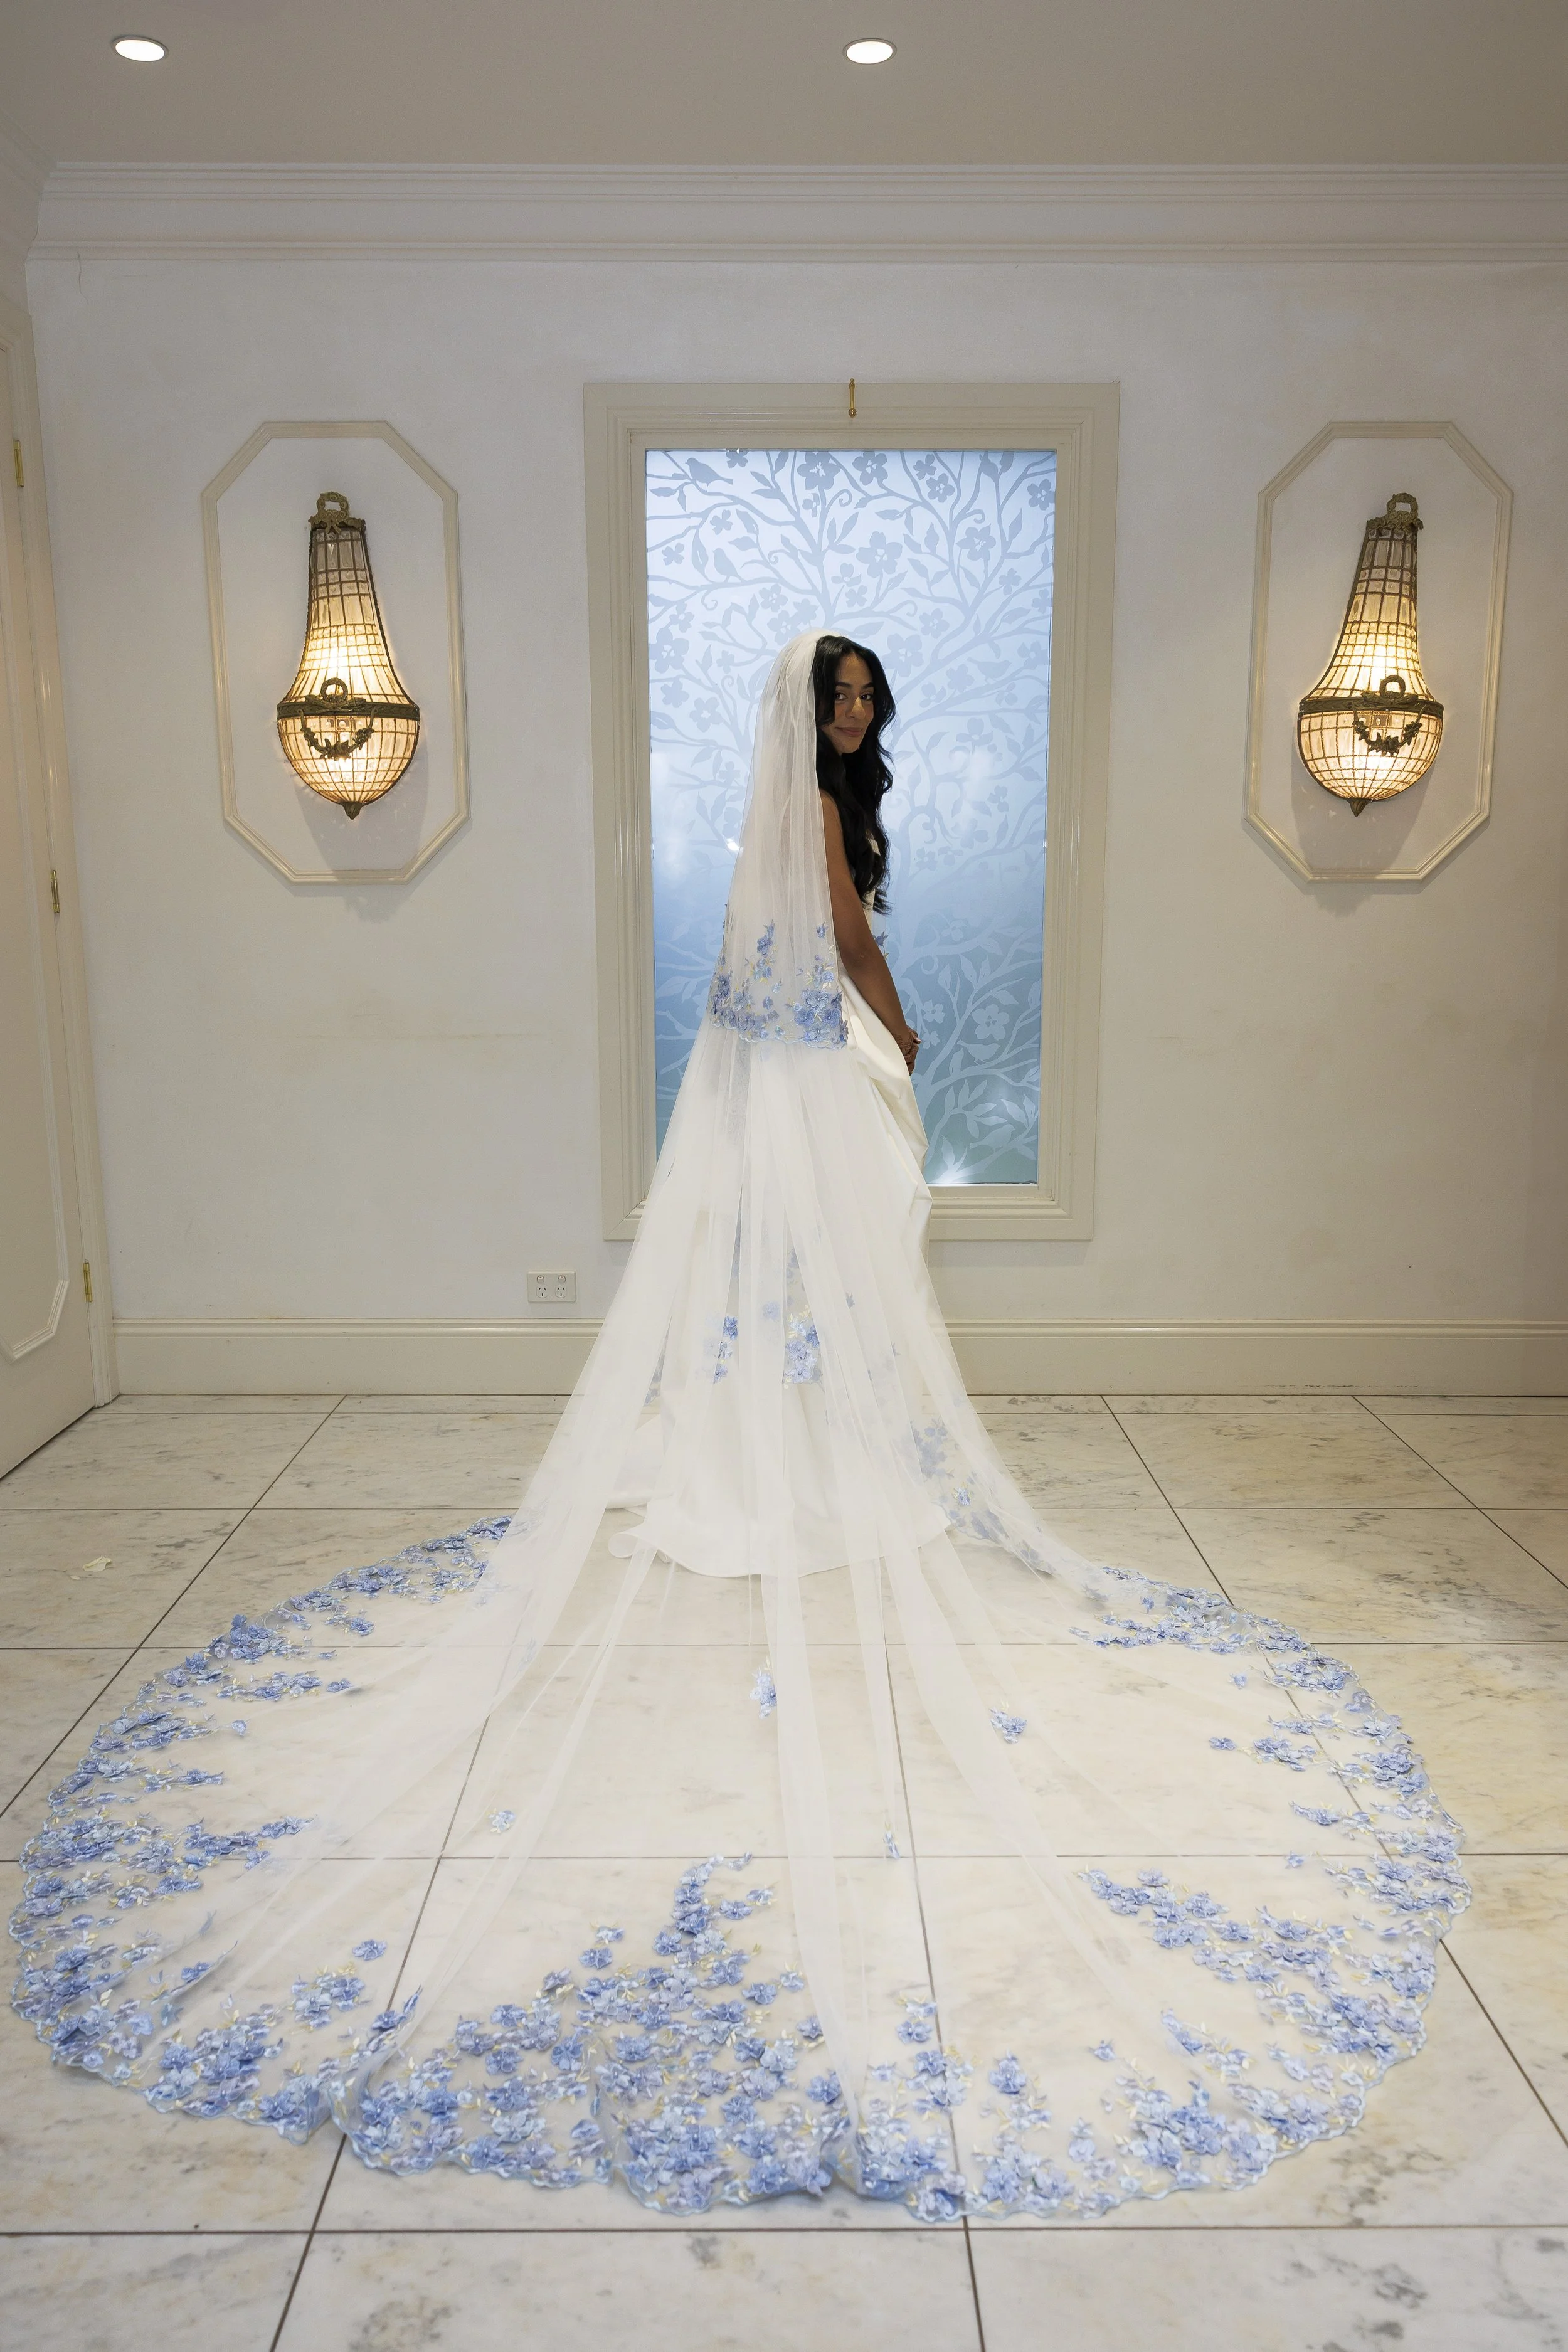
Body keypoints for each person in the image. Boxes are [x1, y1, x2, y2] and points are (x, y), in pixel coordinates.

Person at [13, 632, 1465, 2220]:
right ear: (803, 711)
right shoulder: (818, 819)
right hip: (820, 1060)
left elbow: (761, 951)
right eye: (835, 695)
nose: (851, 711)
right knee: (830, 1267)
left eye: (863, 696)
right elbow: (839, 939)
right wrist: (898, 1026)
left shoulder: (783, 809)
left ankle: (789, 1455)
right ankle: (808, 1466)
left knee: (797, 1277)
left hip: (774, 1068)